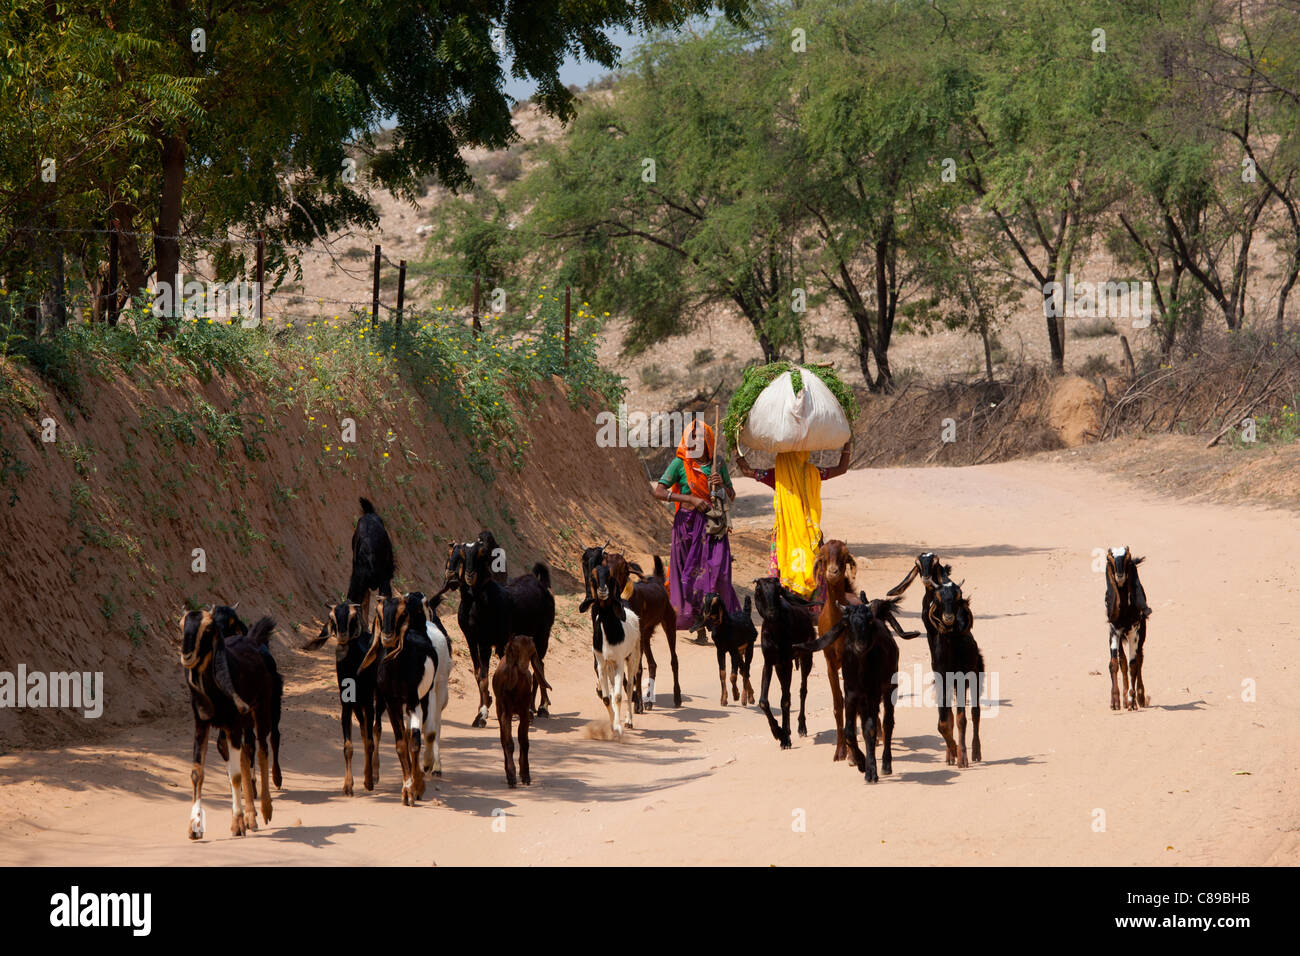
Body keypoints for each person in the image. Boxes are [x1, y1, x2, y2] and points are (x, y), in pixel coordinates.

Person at [735, 439, 852, 599]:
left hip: (784, 535)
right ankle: (814, 609)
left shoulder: (777, 475)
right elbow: (842, 469)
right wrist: (847, 445)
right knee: (814, 570)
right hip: (810, 535)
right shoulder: (813, 473)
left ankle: (787, 607)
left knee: (784, 570)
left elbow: (747, 471)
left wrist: (734, 448)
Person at [651, 419, 739, 631]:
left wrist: (722, 485)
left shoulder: (718, 464)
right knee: (688, 572)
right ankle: (694, 619)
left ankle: (716, 617)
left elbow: (732, 495)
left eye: (701, 437)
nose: (697, 441)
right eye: (693, 437)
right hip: (687, 526)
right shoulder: (680, 463)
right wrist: (689, 499)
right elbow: (659, 492)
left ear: (709, 439)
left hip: (714, 525)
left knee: (718, 570)